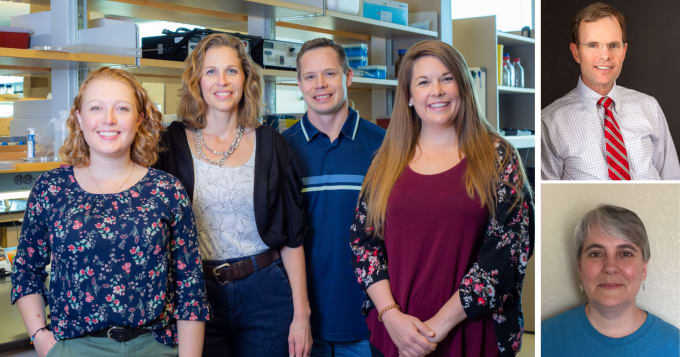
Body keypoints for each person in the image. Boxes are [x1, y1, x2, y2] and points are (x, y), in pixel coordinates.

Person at [349, 40, 534, 357]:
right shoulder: (386, 160)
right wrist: (391, 317)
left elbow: (505, 258)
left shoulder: (498, 157)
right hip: (395, 338)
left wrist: (433, 330)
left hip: (473, 338)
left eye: (446, 78)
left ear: (463, 86)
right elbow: (363, 243)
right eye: (423, 82)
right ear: (408, 96)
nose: (436, 90)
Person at [11, 67, 209, 357]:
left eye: (122, 108)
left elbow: (189, 286)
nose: (109, 119)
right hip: (73, 348)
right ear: (79, 117)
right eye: (96, 108)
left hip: (154, 346)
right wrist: (42, 338)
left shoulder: (166, 190)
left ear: (140, 118)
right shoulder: (52, 189)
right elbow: (27, 269)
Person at [154, 33, 312, 357]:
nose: (222, 81)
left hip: (265, 293)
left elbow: (291, 236)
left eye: (231, 70)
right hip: (195, 295)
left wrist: (302, 314)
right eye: (211, 71)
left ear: (246, 78)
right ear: (196, 80)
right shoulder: (169, 144)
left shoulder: (271, 144)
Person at [282, 38, 385, 356]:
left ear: (348, 76)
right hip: (302, 322)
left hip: (370, 319)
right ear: (299, 83)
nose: (320, 85)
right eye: (310, 76)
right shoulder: (282, 149)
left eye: (329, 73)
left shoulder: (382, 145)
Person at [541, 2, 680, 180]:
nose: (605, 55)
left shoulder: (649, 106)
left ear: (624, 51)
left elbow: (674, 183)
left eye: (613, 45)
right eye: (593, 45)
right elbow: (548, 201)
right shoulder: (550, 123)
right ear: (576, 52)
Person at [542, 204, 679, 356]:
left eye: (625, 253)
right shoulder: (544, 339)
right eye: (596, 254)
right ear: (580, 268)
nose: (610, 267)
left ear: (643, 270)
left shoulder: (675, 346)